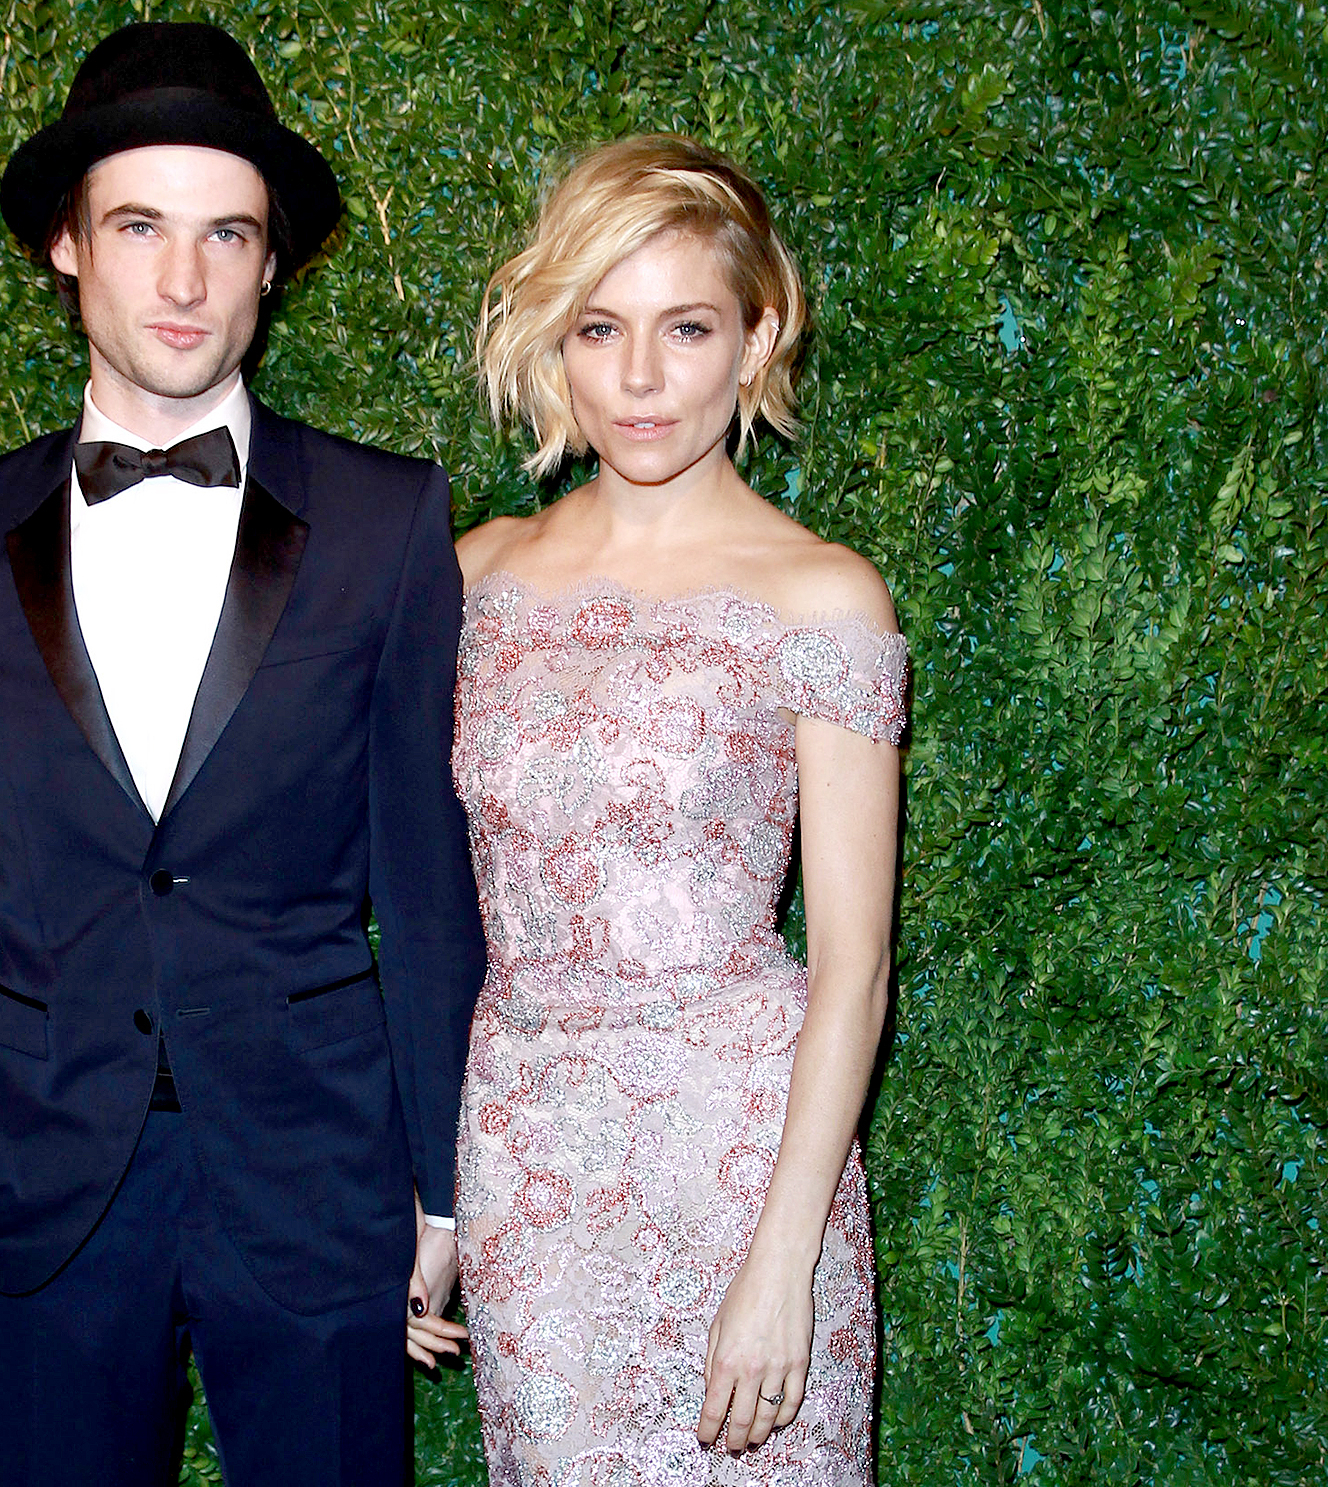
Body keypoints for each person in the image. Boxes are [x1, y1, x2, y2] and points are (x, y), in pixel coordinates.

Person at [0, 22, 484, 1487]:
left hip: (321, 1179)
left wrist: (447, 1187)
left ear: (274, 262)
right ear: (68, 246)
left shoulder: (391, 520)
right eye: (141, 227)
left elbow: (429, 875)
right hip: (41, 1176)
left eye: (229, 233)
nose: (187, 280)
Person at [448, 135, 906, 1485]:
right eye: (600, 327)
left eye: (687, 327)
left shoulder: (824, 598)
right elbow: (404, 905)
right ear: (555, 344)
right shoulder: (469, 581)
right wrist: (425, 1205)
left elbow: (856, 972)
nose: (640, 378)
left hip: (748, 1162)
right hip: (529, 1171)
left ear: (758, 341)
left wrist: (785, 1265)